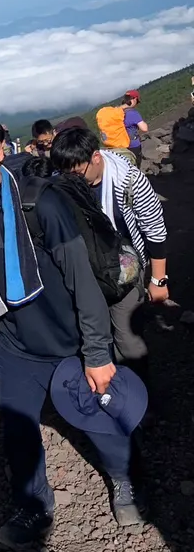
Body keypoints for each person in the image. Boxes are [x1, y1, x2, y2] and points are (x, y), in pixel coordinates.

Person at [0, 110, 142, 546]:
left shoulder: (42, 202)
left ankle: (123, 475)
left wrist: (96, 354)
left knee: (93, 415)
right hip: (15, 341)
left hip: (69, 338)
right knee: (17, 427)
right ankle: (33, 504)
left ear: (0, 151)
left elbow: (83, 281)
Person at [50, 127, 168, 385]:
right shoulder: (63, 184)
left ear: (95, 157)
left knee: (126, 335)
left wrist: (158, 279)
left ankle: (138, 397)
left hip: (125, 269)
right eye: (65, 174)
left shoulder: (129, 180)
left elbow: (154, 229)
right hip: (86, 269)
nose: (73, 180)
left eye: (77, 172)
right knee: (92, 333)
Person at [121, 91, 148, 168]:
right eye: (137, 101)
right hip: (133, 145)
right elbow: (144, 128)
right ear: (134, 99)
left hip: (120, 146)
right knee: (135, 166)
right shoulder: (133, 113)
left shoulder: (117, 112)